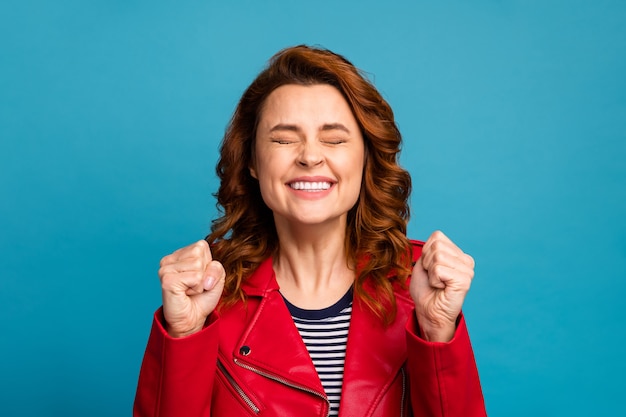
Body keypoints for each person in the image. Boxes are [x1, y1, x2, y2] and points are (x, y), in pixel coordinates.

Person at [134, 45, 486, 417]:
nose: (310, 156)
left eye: (334, 139)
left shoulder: (420, 283)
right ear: (252, 161)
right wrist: (184, 336)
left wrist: (437, 333)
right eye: (284, 139)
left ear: (366, 157)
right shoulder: (207, 295)